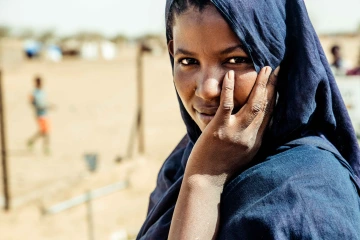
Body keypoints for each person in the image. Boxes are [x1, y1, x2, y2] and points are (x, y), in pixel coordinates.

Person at [137, 0, 360, 239]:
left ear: (280, 61)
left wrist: (205, 180)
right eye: (188, 61)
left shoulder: (309, 197)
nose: (207, 89)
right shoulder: (185, 160)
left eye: (235, 60)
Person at [27, 75, 50, 155]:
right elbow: (31, 102)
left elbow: (44, 102)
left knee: (44, 131)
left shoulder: (43, 92)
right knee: (45, 131)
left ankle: (32, 141)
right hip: (39, 114)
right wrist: (36, 106)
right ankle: (46, 147)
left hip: (45, 114)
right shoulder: (34, 93)